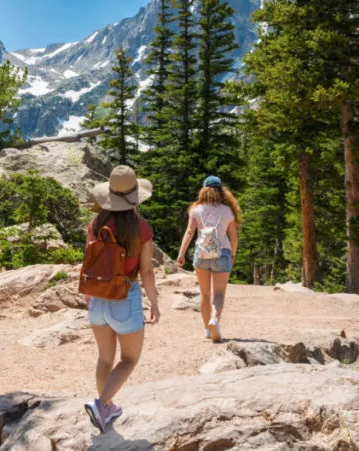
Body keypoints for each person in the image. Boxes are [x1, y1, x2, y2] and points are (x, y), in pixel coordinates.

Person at [82, 165, 160, 432]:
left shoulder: (96, 223)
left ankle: (107, 410)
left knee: (105, 358)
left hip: (98, 298)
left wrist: (89, 295)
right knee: (129, 359)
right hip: (125, 297)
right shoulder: (142, 228)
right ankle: (101, 405)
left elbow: (89, 262)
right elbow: (147, 270)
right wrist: (154, 302)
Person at [176, 175, 241, 342]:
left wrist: (181, 254)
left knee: (205, 294)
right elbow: (233, 238)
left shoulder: (196, 210)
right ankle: (215, 320)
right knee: (219, 293)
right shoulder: (227, 211)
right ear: (221, 191)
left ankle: (206, 329)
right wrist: (232, 255)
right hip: (222, 253)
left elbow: (189, 232)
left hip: (201, 254)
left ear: (203, 190)